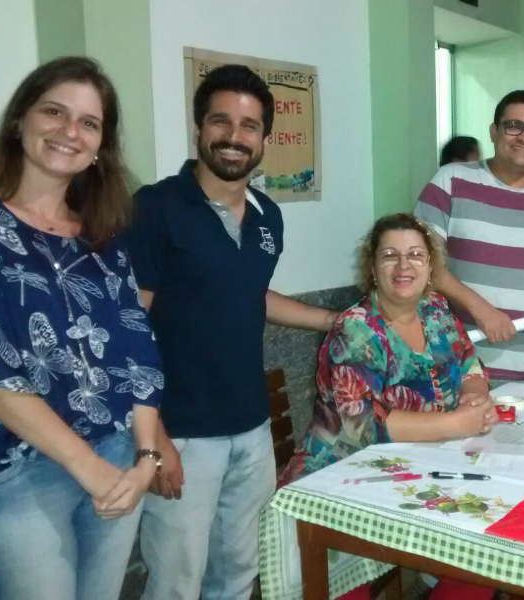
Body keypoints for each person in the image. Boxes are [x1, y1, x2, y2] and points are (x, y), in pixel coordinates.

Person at [127, 64, 338, 600]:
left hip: (251, 428)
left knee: (241, 574)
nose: (234, 136)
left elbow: (250, 293)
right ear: (199, 127)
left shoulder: (268, 217)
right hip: (182, 431)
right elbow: (129, 325)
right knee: (175, 584)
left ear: (265, 138)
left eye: (249, 126)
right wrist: (154, 438)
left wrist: (332, 320)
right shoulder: (156, 207)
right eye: (221, 121)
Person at [0, 57, 162, 600]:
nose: (70, 131)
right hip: (18, 472)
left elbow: (137, 348)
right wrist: (87, 466)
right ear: (20, 119)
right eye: (54, 112)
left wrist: (146, 456)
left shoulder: (103, 236)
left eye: (89, 122)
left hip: (117, 454)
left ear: (101, 144)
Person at [281, 213, 497, 600]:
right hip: (337, 483)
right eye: (390, 255)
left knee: (484, 550)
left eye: (415, 254)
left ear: (430, 267)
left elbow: (469, 364)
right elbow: (361, 424)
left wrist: (474, 396)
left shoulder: (436, 310)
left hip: (415, 469)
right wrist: (457, 423)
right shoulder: (357, 328)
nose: (403, 265)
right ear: (372, 268)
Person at [415, 90, 524, 390]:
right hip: (454, 366)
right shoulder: (451, 181)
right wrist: (481, 309)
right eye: (514, 126)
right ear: (494, 131)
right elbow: (421, 261)